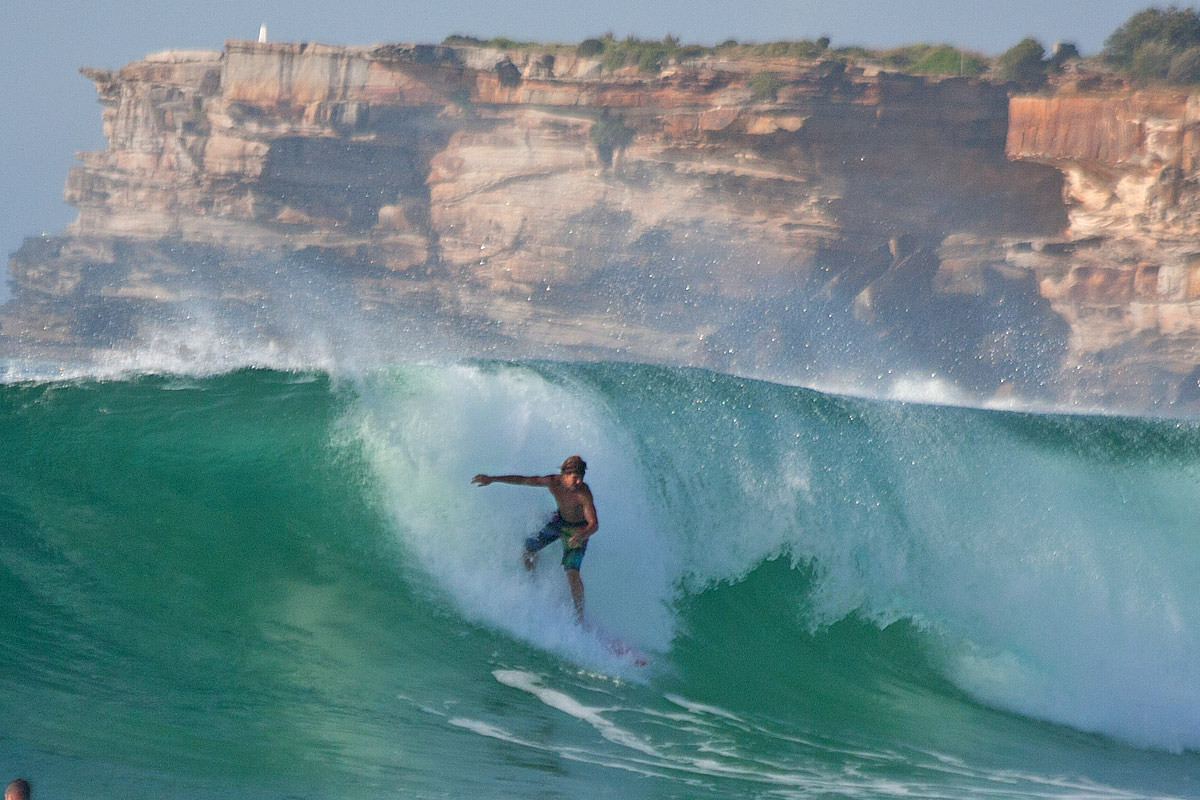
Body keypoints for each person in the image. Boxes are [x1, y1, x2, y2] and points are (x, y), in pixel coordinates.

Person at [472, 455, 599, 622]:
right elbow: (523, 480)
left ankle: (580, 616)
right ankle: (533, 582)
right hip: (559, 522)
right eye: (575, 478)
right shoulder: (552, 482)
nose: (578, 482)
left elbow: (594, 524)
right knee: (528, 550)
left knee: (572, 572)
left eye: (581, 478)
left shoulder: (584, 493)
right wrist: (493, 479)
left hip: (577, 530)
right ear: (565, 474)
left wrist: (582, 535)